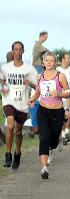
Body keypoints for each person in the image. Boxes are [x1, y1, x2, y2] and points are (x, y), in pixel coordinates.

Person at [28, 51, 70, 179]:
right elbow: (38, 92)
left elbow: (68, 93)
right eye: (47, 61)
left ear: (55, 62)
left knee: (53, 139)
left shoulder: (60, 76)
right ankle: (44, 167)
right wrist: (32, 99)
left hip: (57, 111)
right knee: (43, 137)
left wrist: (59, 94)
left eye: (52, 61)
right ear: (43, 62)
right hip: (43, 110)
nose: (49, 63)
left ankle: (56, 143)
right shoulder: (40, 77)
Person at [1, 41, 37, 169]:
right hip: (8, 101)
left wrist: (30, 84)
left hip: (22, 103)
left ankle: (18, 153)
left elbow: (37, 86)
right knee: (10, 126)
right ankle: (8, 155)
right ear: (12, 51)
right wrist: (3, 88)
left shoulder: (29, 69)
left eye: (20, 49)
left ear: (23, 51)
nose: (17, 52)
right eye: (15, 50)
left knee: (18, 130)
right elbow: (2, 79)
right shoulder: (6, 67)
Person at [57, 52, 70, 145]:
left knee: (69, 115)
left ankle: (67, 132)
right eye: (68, 58)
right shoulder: (57, 70)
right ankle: (63, 135)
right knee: (61, 117)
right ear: (63, 59)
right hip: (60, 97)